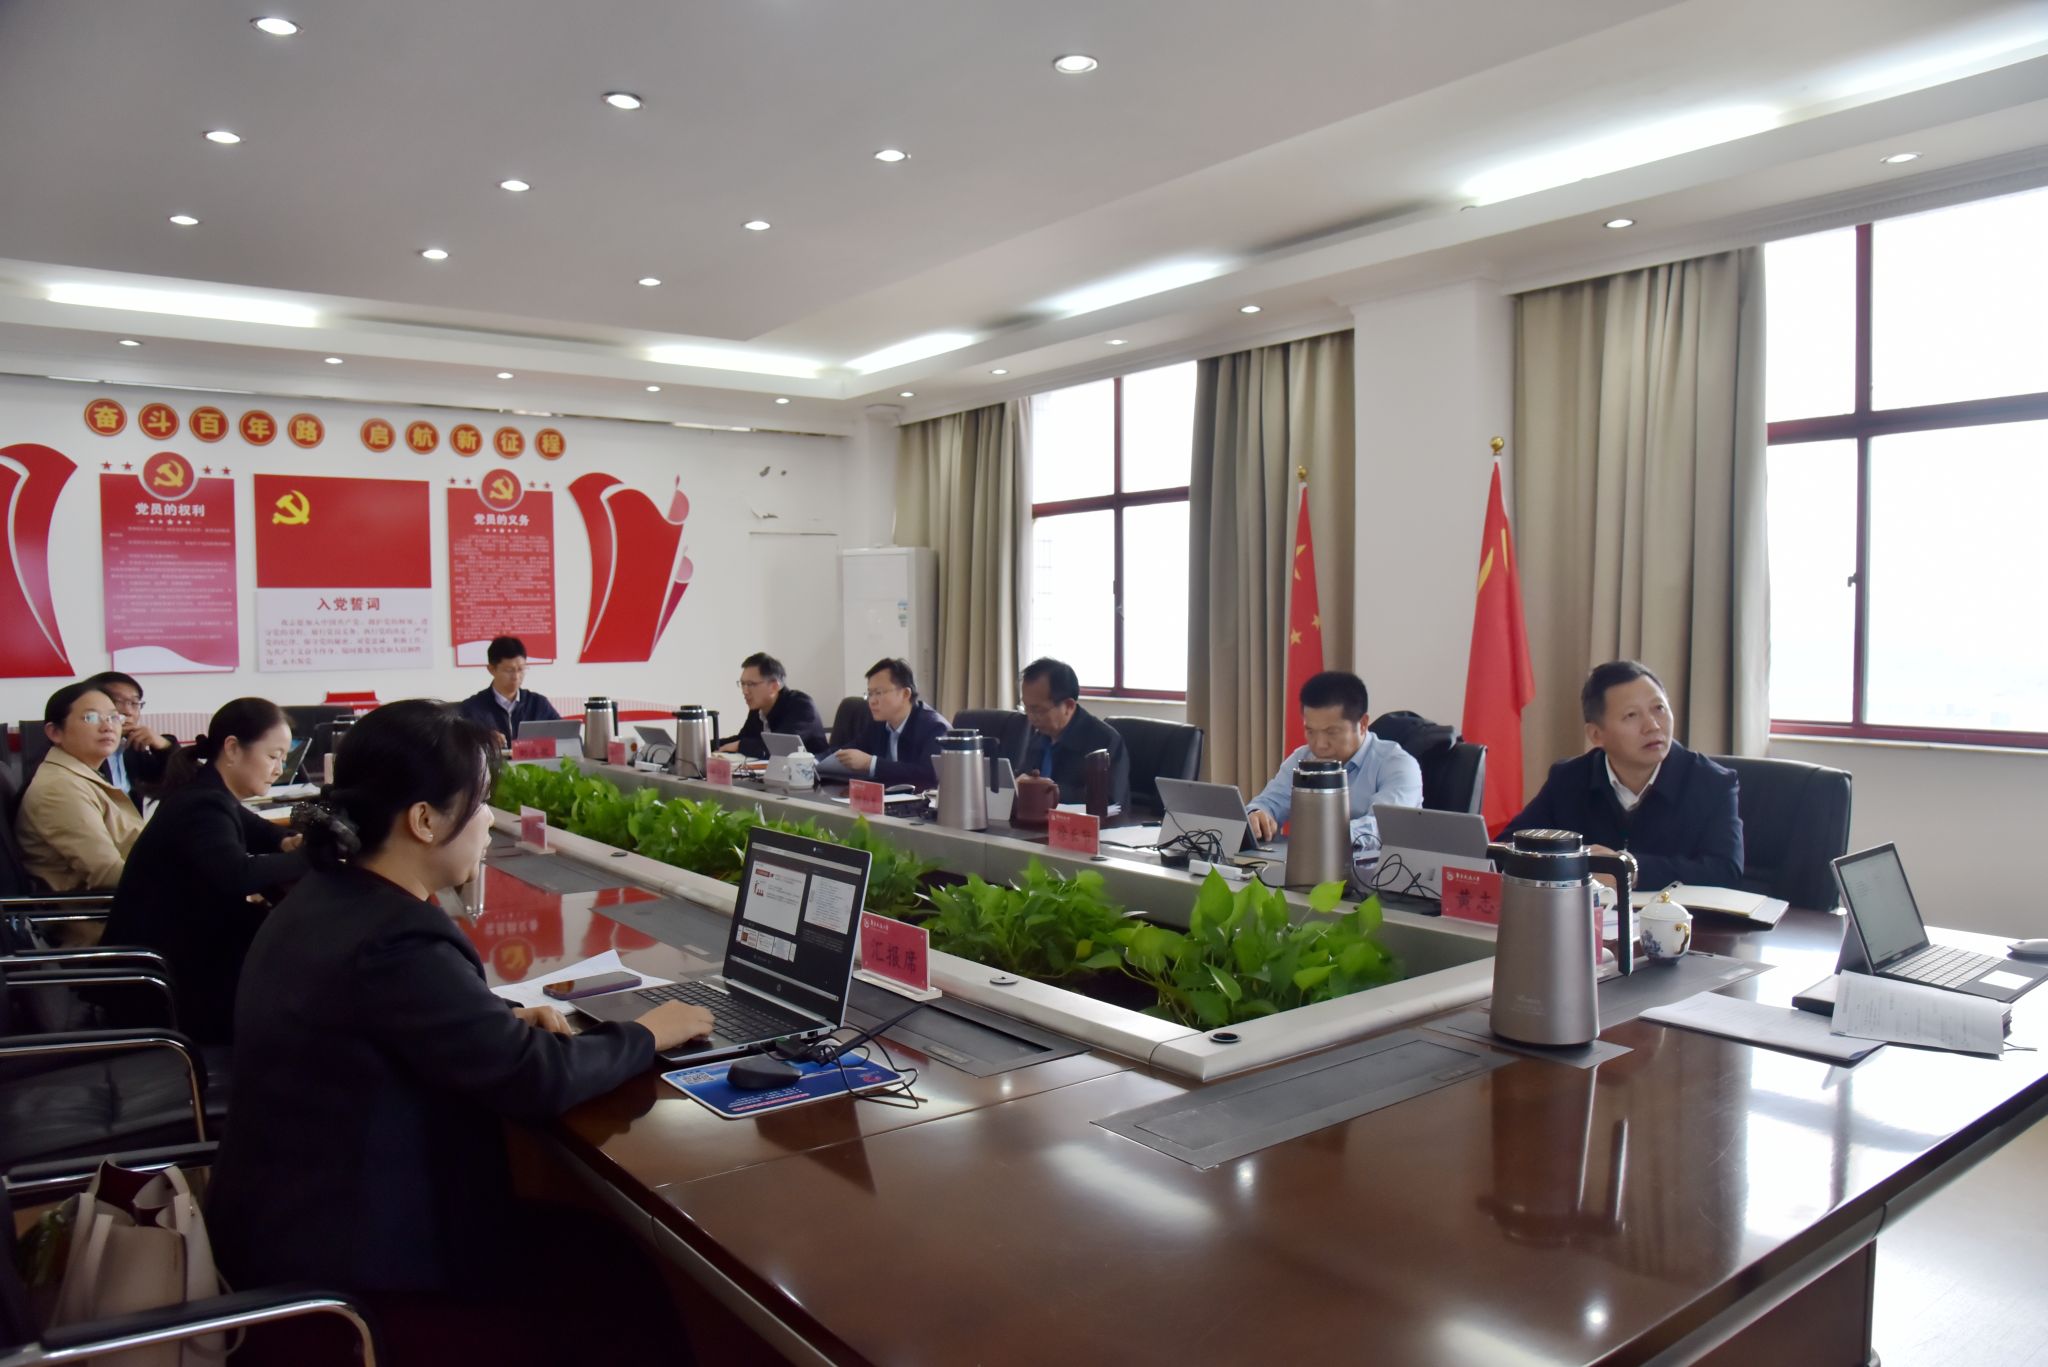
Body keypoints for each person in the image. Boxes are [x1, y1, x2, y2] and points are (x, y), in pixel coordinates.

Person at [205, 700, 712, 1367]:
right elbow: (536, 1078)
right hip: (362, 1283)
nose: (490, 822)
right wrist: (647, 1032)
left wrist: (492, 1022)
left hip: (284, 1233)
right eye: (479, 805)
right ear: (424, 820)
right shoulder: (396, 937)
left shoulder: (328, 896)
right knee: (623, 1283)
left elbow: (390, 1024)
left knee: (602, 1253)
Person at [103, 698, 308, 1044]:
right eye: (273, 756)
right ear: (233, 748)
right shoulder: (203, 803)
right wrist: (309, 858)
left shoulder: (208, 792)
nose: (279, 769)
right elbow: (237, 874)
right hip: (167, 983)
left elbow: (264, 832)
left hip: (181, 958)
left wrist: (290, 842)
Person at [1502, 660, 1743, 890]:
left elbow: (1726, 869)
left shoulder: (1712, 783)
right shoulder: (1569, 779)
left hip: (1679, 918)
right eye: (1631, 715)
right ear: (1596, 735)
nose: (1653, 726)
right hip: (1591, 916)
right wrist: (1568, 865)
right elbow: (1506, 848)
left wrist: (1629, 869)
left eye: (1659, 708)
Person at [1246, 670, 1422, 861]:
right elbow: (1271, 801)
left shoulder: (1397, 764)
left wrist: (1328, 835)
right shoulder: (1302, 758)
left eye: (1332, 732)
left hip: (1382, 871)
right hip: (1313, 865)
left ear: (1363, 724)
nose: (1320, 744)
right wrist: (1257, 814)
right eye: (1310, 731)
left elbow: (1384, 826)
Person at [15, 681, 143, 893]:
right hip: (98, 909)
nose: (107, 727)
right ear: (55, 732)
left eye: (113, 717)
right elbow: (108, 874)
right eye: (90, 718)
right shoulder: (59, 789)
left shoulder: (80, 776)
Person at [1019, 657, 1131, 812]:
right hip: (1039, 821)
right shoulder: (1038, 737)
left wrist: (1046, 790)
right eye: (1026, 708)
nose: (1031, 717)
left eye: (1038, 710)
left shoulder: (1105, 741)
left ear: (1069, 706)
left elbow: (1108, 800)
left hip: (1089, 825)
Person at [831, 658, 950, 788]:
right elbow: (850, 748)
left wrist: (871, 763)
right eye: (869, 694)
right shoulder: (879, 723)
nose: (872, 701)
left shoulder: (935, 727)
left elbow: (928, 775)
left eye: (878, 693)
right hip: (886, 797)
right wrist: (816, 760)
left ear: (905, 694)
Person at [82, 670, 176, 797]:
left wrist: (165, 747)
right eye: (116, 701)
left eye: (134, 703)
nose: (128, 712)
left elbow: (178, 783)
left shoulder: (133, 747)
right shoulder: (80, 751)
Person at [454, 635, 561, 745]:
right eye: (509, 670)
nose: (516, 676)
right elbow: (458, 743)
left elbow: (565, 736)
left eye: (521, 669)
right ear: (491, 669)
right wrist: (483, 738)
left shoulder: (538, 704)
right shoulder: (472, 708)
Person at [718, 651, 828, 757]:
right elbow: (743, 738)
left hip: (813, 769)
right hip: (775, 769)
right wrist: (710, 745)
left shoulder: (801, 705)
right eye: (743, 684)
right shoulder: (758, 709)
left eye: (751, 684)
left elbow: (781, 748)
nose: (745, 691)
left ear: (774, 687)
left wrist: (740, 745)